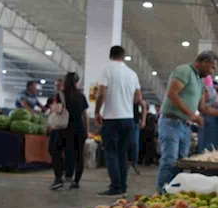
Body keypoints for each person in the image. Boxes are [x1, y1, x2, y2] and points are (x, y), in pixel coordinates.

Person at [156, 51, 218, 193]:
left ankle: (172, 191)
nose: (211, 72)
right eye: (212, 68)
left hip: (184, 126)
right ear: (204, 62)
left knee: (180, 162)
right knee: (170, 160)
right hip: (171, 122)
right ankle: (161, 192)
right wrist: (191, 114)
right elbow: (172, 94)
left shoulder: (199, 82)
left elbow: (204, 109)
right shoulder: (184, 71)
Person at [94, 45, 144, 196]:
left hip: (111, 118)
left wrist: (97, 111)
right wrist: (125, 100)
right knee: (123, 153)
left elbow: (102, 93)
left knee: (111, 153)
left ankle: (115, 187)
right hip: (128, 119)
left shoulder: (106, 69)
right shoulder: (132, 73)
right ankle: (123, 186)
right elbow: (138, 98)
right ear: (123, 56)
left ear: (111, 55)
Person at [49, 72, 88, 190]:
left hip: (64, 129)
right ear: (77, 82)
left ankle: (58, 178)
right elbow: (85, 115)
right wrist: (87, 130)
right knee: (78, 156)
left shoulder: (61, 94)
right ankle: (76, 182)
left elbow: (58, 110)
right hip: (79, 128)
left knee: (56, 151)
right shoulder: (81, 96)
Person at [197, 75, 218, 153]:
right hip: (203, 143)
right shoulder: (202, 109)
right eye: (203, 92)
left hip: (214, 143)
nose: (204, 94)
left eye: (206, 92)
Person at [129, 94, 147, 175]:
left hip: (134, 122)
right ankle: (125, 163)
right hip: (124, 120)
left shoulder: (135, 93)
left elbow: (144, 106)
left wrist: (143, 120)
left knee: (134, 144)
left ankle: (134, 163)